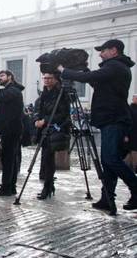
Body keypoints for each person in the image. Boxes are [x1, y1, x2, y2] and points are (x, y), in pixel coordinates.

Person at [58, 39, 137, 214]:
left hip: (114, 119)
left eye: (103, 50)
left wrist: (65, 71)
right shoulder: (115, 68)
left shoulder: (115, 66)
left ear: (114, 50)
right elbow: (95, 81)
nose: (100, 54)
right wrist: (84, 69)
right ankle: (107, 198)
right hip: (111, 118)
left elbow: (90, 78)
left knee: (110, 160)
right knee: (108, 162)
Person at [0, 70, 25, 196]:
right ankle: (10, 187)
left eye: (2, 76)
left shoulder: (13, 90)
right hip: (9, 129)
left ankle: (6, 187)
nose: (0, 78)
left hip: (11, 130)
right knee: (9, 159)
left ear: (10, 77)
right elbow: (0, 105)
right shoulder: (10, 91)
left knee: (8, 159)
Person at [33, 73, 71, 199]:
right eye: (45, 78)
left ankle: (47, 187)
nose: (47, 80)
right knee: (46, 159)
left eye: (50, 78)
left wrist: (46, 120)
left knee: (48, 159)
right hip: (44, 130)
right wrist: (36, 120)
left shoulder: (61, 94)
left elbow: (63, 114)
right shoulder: (43, 94)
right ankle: (49, 186)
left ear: (56, 80)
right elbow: (37, 109)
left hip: (55, 130)